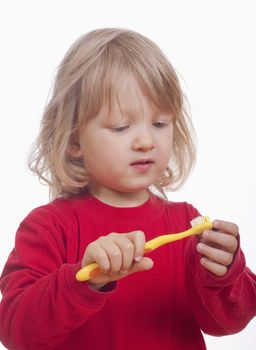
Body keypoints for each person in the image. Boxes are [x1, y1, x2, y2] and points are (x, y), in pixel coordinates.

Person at [0, 28, 255, 350]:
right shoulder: (47, 228)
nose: (146, 141)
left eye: (160, 124)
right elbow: (17, 333)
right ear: (76, 140)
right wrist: (84, 278)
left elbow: (228, 323)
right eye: (121, 127)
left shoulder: (188, 225)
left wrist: (224, 272)